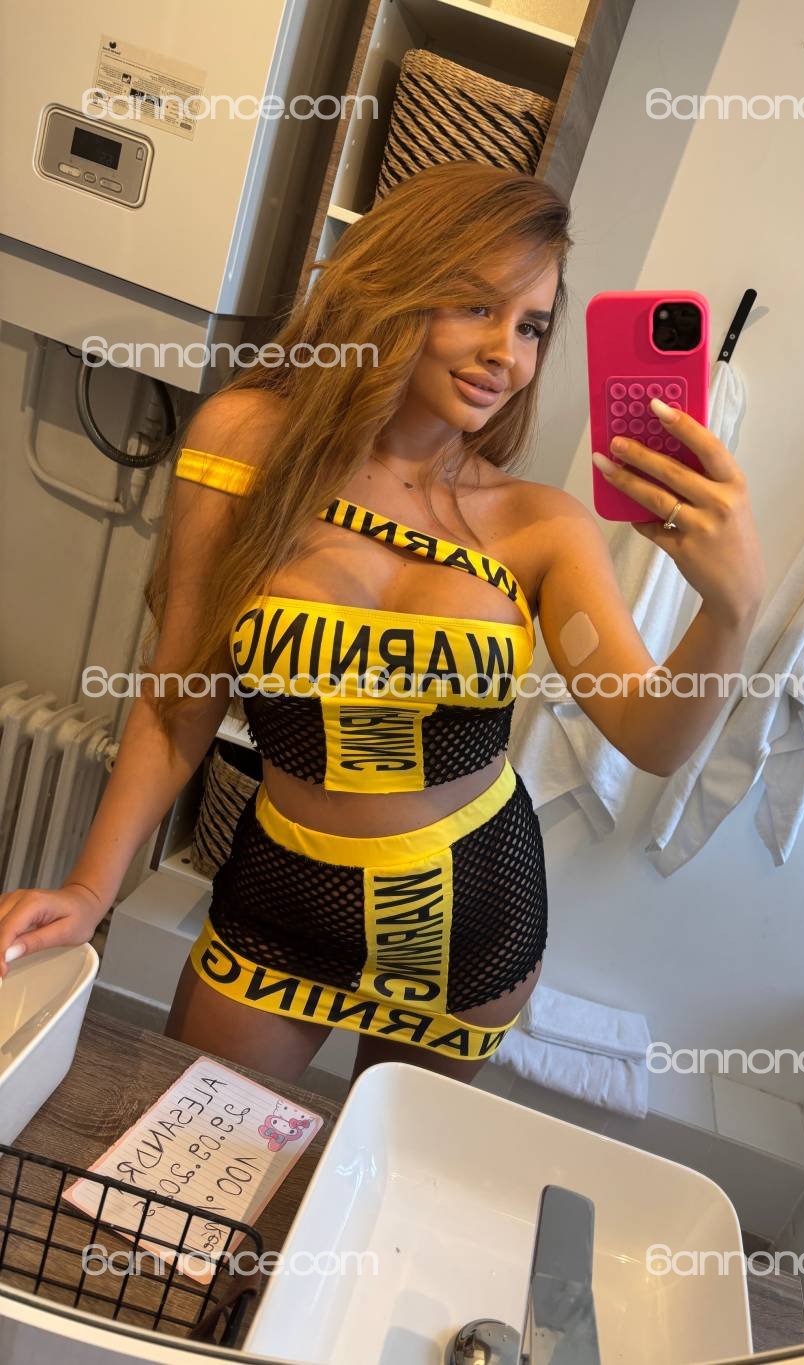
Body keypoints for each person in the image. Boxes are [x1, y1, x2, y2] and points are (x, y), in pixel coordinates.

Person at [0, 161, 765, 1086]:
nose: (508, 355)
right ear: (396, 286)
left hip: (472, 922)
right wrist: (90, 888)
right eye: (477, 306)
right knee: (197, 1151)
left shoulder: (541, 527)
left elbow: (652, 736)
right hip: (282, 901)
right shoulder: (243, 446)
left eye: (532, 326)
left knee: (374, 1176)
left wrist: (731, 607)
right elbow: (178, 700)